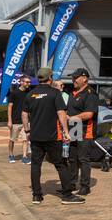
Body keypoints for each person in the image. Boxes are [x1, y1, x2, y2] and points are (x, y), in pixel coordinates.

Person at [22, 66, 85, 204]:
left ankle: (37, 196)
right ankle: (67, 195)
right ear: (50, 78)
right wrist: (66, 132)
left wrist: (27, 130)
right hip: (52, 136)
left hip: (36, 136)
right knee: (61, 164)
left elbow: (24, 114)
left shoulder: (30, 94)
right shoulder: (55, 93)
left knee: (36, 165)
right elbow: (61, 113)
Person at [64, 68, 98, 195]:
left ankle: (85, 186)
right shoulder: (73, 93)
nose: (73, 80)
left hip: (85, 130)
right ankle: (72, 184)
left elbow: (89, 114)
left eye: (76, 77)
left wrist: (73, 118)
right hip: (74, 128)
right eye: (73, 77)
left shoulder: (90, 93)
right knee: (72, 158)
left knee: (84, 159)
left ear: (84, 78)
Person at [7, 74, 31, 163]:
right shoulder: (14, 93)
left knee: (25, 139)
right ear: (21, 82)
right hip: (15, 121)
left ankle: (24, 157)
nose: (29, 83)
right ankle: (10, 154)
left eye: (29, 82)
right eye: (27, 82)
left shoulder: (29, 93)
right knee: (12, 139)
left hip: (26, 121)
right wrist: (9, 120)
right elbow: (10, 107)